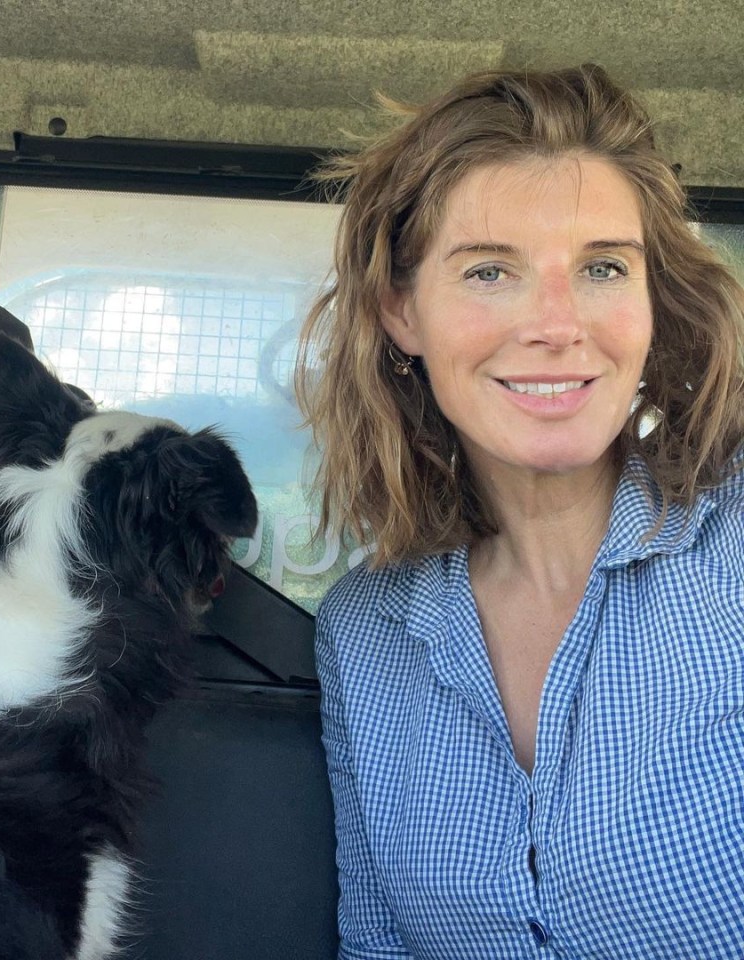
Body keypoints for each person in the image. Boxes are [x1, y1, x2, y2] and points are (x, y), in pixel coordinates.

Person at [295, 64, 744, 959]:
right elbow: (377, 945)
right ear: (400, 312)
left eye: (603, 267)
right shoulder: (365, 631)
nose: (557, 323)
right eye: (491, 270)